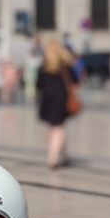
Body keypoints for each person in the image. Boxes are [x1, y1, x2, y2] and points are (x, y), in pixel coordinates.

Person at [36, 39, 79, 170]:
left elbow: (39, 85)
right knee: (59, 129)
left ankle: (64, 156)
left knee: (53, 128)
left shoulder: (43, 67)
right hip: (61, 99)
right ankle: (52, 158)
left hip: (47, 100)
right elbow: (75, 81)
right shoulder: (64, 66)